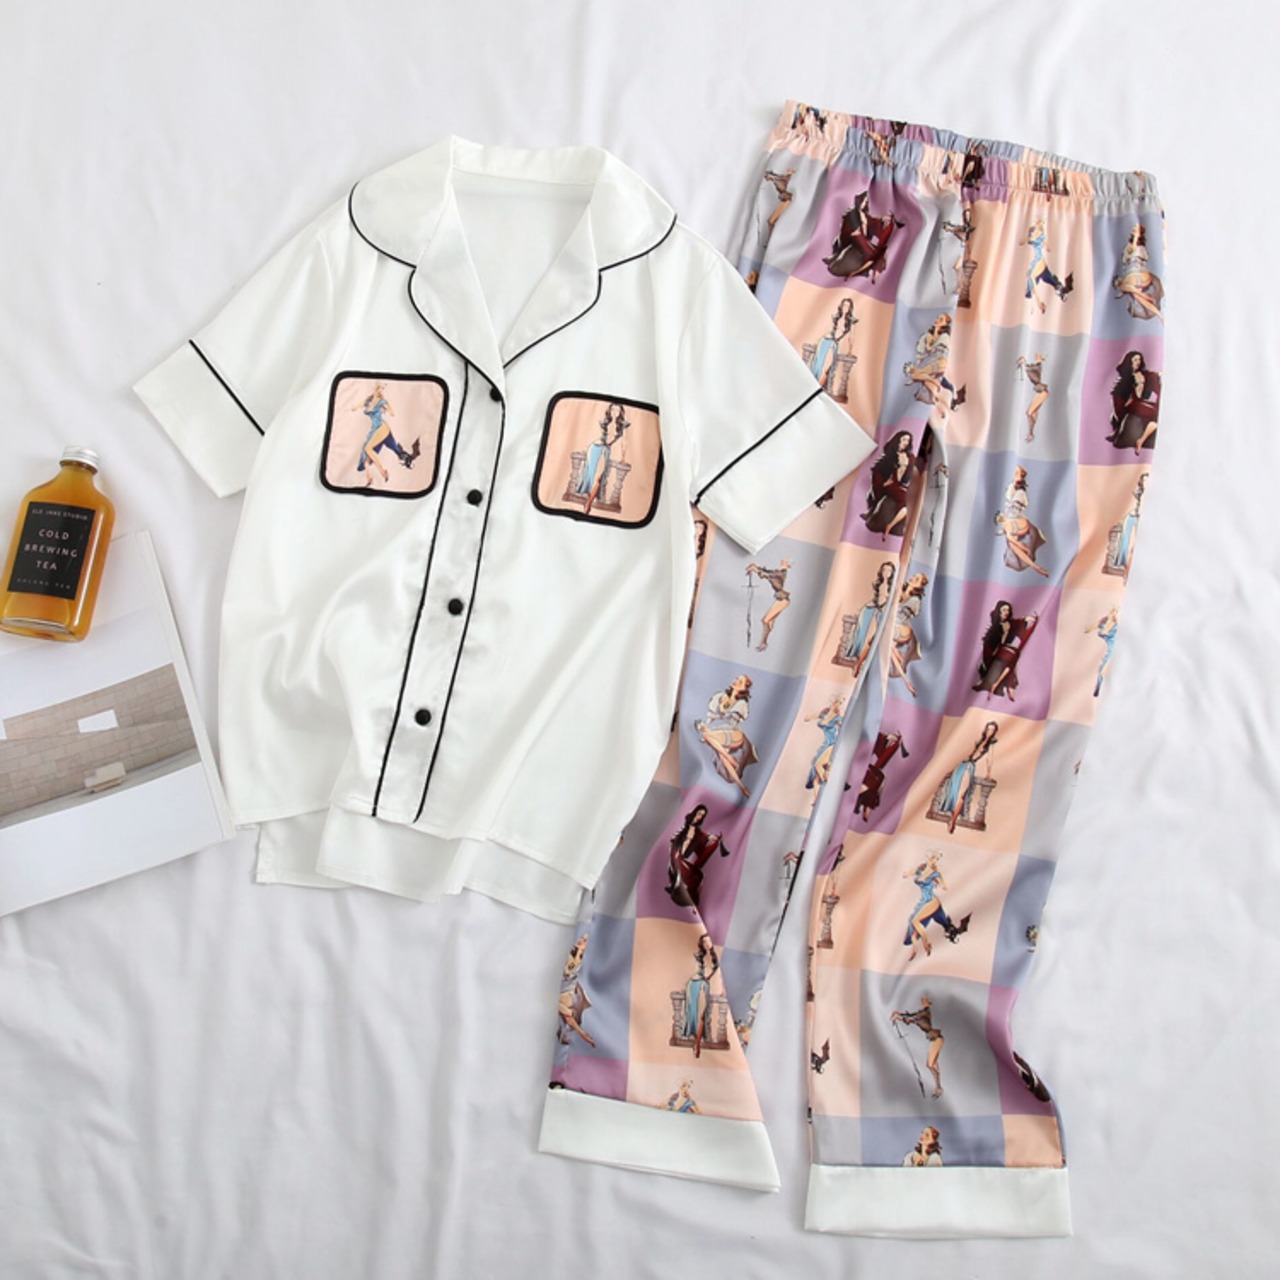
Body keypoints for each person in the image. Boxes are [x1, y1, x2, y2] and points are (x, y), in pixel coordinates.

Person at [695, 675, 758, 797]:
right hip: (721, 734)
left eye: (740, 682)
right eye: (737, 679)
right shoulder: (720, 697)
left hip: (734, 734)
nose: (736, 681)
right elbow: (711, 718)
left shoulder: (741, 704)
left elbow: (732, 722)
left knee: (708, 737)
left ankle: (731, 759)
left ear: (744, 689)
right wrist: (705, 726)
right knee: (721, 755)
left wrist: (707, 731)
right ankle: (742, 786)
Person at [902, 851, 968, 958]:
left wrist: (940, 875)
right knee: (913, 924)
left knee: (915, 921)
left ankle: (926, 943)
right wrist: (907, 874)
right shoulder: (921, 868)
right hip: (924, 901)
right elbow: (908, 873)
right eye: (933, 857)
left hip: (932, 901)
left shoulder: (934, 874)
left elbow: (945, 887)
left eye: (937, 859)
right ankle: (920, 947)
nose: (934, 861)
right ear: (928, 858)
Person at [936, 721, 999, 833]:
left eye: (992, 730)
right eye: (988, 729)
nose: (990, 731)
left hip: (969, 767)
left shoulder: (991, 743)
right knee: (953, 792)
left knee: (962, 795)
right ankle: (952, 817)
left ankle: (953, 821)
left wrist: (988, 773)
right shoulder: (979, 740)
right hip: (962, 766)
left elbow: (990, 758)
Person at [665, 804, 730, 910]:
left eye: (702, 815)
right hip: (676, 856)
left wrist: (712, 838)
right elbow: (674, 841)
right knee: (690, 875)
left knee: (699, 876)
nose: (699, 817)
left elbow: (704, 836)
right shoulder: (684, 826)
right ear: (694, 812)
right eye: (699, 813)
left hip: (681, 858)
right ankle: (680, 895)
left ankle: (692, 903)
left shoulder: (697, 831)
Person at [972, 601, 1039, 701]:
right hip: (992, 653)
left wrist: (1027, 618)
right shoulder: (995, 626)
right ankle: (1008, 687)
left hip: (1003, 650)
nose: (1006, 612)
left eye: (1008, 610)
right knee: (1013, 655)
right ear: (998, 611)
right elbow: (989, 644)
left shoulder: (1010, 623)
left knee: (1014, 654)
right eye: (1004, 610)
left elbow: (1021, 621)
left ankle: (1000, 685)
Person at [840, 561, 895, 675]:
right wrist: (864, 607)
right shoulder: (881, 584)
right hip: (872, 609)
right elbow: (877, 600)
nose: (886, 573)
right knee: (861, 630)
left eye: (889, 570)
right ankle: (856, 653)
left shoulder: (891, 587)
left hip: (879, 610)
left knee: (872, 634)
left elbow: (884, 601)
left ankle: (863, 658)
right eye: (884, 570)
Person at [574, 402, 630, 513]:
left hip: (605, 450)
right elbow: (598, 435)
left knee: (598, 478)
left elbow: (624, 442)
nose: (614, 412)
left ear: (620, 412)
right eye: (613, 409)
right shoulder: (605, 422)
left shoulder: (623, 425)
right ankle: (588, 501)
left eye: (617, 410)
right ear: (610, 410)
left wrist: (623, 457)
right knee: (590, 476)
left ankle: (589, 503)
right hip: (595, 448)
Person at [903, 314, 964, 415]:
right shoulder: (929, 335)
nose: (937, 320)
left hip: (938, 360)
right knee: (926, 381)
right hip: (929, 360)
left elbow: (938, 352)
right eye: (937, 318)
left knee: (917, 375)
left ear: (945, 323)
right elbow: (924, 351)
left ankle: (940, 392)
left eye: (941, 319)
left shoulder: (944, 337)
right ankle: (943, 401)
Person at [356, 384, 417, 484]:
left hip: (382, 428)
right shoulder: (369, 402)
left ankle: (383, 471)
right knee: (367, 458)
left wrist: (386, 406)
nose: (381, 391)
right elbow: (360, 405)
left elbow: (392, 413)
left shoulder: (381, 402)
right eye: (381, 388)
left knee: (368, 448)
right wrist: (354, 407)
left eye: (382, 389)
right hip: (376, 431)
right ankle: (369, 478)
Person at [994, 466, 1049, 576]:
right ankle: (1033, 562)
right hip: (1014, 519)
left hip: (1015, 519)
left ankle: (1033, 562)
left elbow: (1016, 507)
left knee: (1012, 542)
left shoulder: (1020, 494)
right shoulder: (1013, 489)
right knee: (1012, 543)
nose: (1014, 474)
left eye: (1017, 473)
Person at [862, 431, 915, 538]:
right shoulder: (890, 455)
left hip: (897, 485)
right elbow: (880, 471)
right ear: (897, 440)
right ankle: (877, 512)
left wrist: (903, 467)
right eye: (903, 439)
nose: (905, 442)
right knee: (903, 501)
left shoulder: (909, 457)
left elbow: (904, 478)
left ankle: (889, 525)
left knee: (904, 503)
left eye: (908, 440)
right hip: (887, 484)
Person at [892, 995, 946, 1098]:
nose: (922, 1001)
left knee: (930, 1064)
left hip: (937, 1039)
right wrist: (899, 1015)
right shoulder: (921, 1014)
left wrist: (899, 1016)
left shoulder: (925, 1013)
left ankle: (938, 1088)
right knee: (932, 1064)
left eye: (924, 1000)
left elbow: (912, 1017)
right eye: (922, 1000)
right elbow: (911, 1017)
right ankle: (938, 1088)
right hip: (935, 1039)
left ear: (927, 1003)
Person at [1107, 352, 1160, 454]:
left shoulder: (1146, 375)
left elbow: (1153, 380)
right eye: (1135, 360)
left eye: (1139, 359)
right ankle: (1139, 440)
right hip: (1131, 406)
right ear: (1129, 362)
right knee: (1154, 413)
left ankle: (1141, 440)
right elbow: (1118, 401)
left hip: (1140, 404)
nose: (1137, 362)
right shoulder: (1125, 380)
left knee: (1156, 412)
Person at [1019, 216, 1074, 311]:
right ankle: (1038, 302)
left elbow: (1045, 244)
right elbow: (1023, 241)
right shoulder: (1034, 234)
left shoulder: (1040, 235)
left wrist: (1046, 244)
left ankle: (1057, 289)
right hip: (1039, 264)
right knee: (1035, 282)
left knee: (1044, 280)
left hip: (1041, 264)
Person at [1113, 222, 1164, 320]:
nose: (1134, 229)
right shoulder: (1139, 247)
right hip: (1136, 272)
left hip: (1134, 273)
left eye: (1136, 228)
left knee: (1129, 289)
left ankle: (1147, 300)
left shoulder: (1134, 246)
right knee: (1136, 295)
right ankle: (1152, 306)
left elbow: (1132, 251)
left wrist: (1136, 237)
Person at [889, 571, 928, 696]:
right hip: (894, 625)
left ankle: (906, 679)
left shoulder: (915, 600)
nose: (912, 579)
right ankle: (907, 681)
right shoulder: (904, 591)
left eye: (916, 579)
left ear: (920, 586)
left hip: (901, 628)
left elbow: (910, 613)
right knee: (889, 649)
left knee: (887, 645)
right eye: (914, 577)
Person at [854, 729, 908, 821]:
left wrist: (890, 739)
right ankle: (862, 798)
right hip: (857, 762)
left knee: (878, 777)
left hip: (864, 764)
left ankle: (862, 799)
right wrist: (888, 738)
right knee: (876, 778)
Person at [682, 933, 720, 1058]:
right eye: (704, 941)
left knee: (702, 1015)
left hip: (704, 985)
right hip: (694, 984)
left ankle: (697, 1044)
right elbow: (693, 971)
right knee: (694, 1013)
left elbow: (711, 974)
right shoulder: (697, 956)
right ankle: (696, 1044)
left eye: (709, 941)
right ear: (701, 944)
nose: (707, 944)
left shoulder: (715, 958)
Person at [808, 297, 857, 390]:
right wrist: (818, 340)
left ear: (850, 308)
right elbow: (828, 329)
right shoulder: (836, 317)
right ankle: (812, 387)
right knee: (817, 365)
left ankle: (817, 389)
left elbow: (851, 337)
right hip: (825, 341)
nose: (845, 307)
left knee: (826, 368)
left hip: (833, 345)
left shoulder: (851, 321)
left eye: (847, 306)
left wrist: (850, 350)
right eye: (844, 305)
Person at [746, 558, 792, 651]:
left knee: (765, 620)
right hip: (781, 600)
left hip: (783, 600)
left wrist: (755, 569)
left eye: (784, 562)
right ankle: (763, 643)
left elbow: (768, 575)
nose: (782, 562)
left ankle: (763, 643)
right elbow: (767, 572)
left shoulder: (780, 574)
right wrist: (755, 567)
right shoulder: (779, 572)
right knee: (769, 622)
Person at [804, 695, 845, 790]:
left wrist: (840, 716)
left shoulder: (837, 718)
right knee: (816, 772)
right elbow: (807, 718)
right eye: (836, 702)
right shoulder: (824, 715)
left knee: (818, 765)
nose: (837, 705)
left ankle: (830, 786)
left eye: (840, 703)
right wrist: (820, 711)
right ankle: (818, 796)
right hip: (826, 744)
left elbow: (843, 727)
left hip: (832, 744)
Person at [1015, 353, 1049, 441]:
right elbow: (1030, 368)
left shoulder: (1037, 366)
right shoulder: (1035, 366)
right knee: (1033, 413)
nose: (1035, 356)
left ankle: (1031, 433)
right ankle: (1031, 433)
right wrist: (1024, 363)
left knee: (1029, 413)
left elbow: (1032, 370)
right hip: (1040, 392)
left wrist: (1024, 362)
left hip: (1042, 392)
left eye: (1038, 355)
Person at [1088, 605, 1120, 697]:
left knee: (1102, 670)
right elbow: (1088, 629)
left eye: (1116, 612)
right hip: (1100, 646)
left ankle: (1097, 690)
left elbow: (1104, 632)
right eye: (1113, 611)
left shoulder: (1114, 622)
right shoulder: (1104, 620)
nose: (1114, 613)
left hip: (1108, 648)